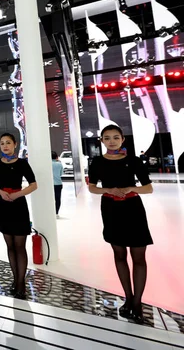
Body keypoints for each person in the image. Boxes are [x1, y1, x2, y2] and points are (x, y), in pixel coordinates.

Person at [88, 124, 153, 323]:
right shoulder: (97, 162)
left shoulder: (133, 161)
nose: (112, 141)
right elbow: (92, 187)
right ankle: (128, 297)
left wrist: (128, 189)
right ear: (101, 141)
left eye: (116, 137)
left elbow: (148, 188)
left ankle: (137, 303)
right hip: (111, 211)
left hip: (133, 210)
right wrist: (108, 191)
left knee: (139, 256)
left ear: (123, 139)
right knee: (119, 255)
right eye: (107, 138)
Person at [0, 133, 37, 299]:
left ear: (15, 144)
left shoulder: (22, 163)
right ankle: (15, 279)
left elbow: (33, 185)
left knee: (20, 246)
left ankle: (21, 282)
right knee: (10, 246)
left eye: (8, 143)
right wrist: (0, 192)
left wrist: (18, 195)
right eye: (2, 143)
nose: (5, 146)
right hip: (3, 206)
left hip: (19, 205)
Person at [51, 151, 64, 217]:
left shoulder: (47, 164)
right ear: (56, 157)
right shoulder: (59, 164)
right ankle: (56, 213)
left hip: (50, 185)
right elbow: (61, 174)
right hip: (58, 183)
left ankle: (50, 212)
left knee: (50, 199)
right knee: (58, 198)